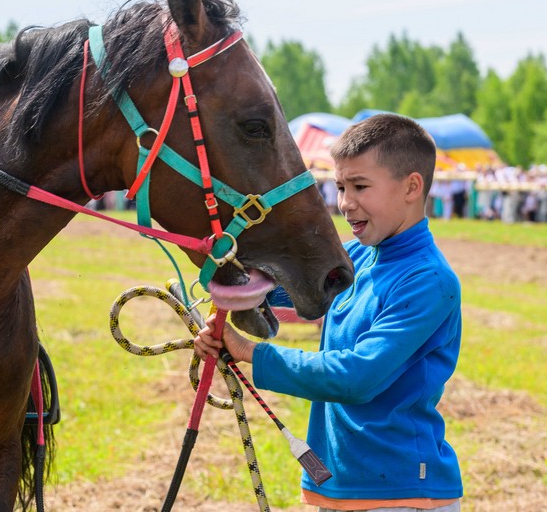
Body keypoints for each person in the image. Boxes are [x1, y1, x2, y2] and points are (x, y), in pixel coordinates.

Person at [195, 113, 463, 511]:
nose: (345, 203)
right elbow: (281, 286)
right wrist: (231, 272)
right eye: (340, 187)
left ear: (411, 187)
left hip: (402, 494)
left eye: (360, 186)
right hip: (341, 486)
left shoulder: (428, 280)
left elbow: (355, 378)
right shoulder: (356, 257)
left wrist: (250, 351)